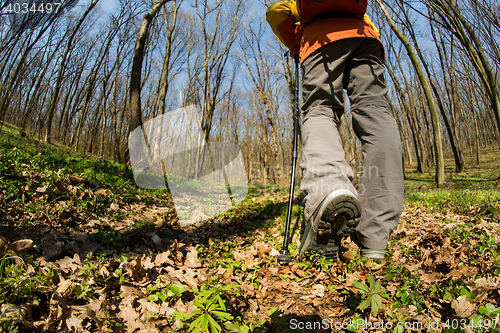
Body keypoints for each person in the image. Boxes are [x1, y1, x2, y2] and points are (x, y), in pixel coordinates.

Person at [266, 0, 404, 261]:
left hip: (319, 43)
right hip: (367, 41)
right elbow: (367, 23)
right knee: (376, 113)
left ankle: (328, 190)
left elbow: (275, 12)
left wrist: (297, 45)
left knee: (321, 110)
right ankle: (375, 237)